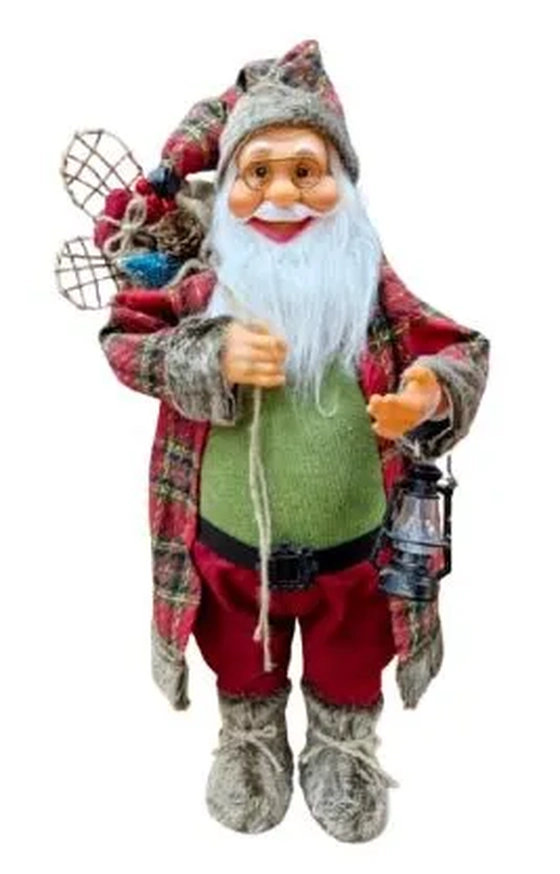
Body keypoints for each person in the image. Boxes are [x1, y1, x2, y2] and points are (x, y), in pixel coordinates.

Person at [98, 39, 489, 842]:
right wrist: (207, 354)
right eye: (259, 173)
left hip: (357, 553)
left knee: (353, 657)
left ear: (342, 185)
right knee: (243, 656)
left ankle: (342, 746)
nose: (282, 195)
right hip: (230, 549)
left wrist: (427, 391)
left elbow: (457, 347)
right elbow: (125, 340)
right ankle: (250, 739)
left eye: (306, 172)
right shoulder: (206, 288)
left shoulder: (369, 289)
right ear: (227, 187)